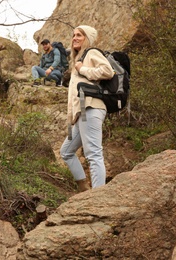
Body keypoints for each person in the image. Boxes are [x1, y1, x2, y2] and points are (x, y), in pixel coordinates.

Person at [60, 25, 114, 192]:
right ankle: (84, 188)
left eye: (79, 35)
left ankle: (98, 195)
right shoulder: (79, 59)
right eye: (74, 35)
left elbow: (108, 71)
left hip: (91, 107)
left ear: (87, 38)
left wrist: (82, 69)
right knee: (66, 151)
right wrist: (71, 119)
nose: (75, 38)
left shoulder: (91, 53)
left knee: (93, 154)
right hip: (80, 113)